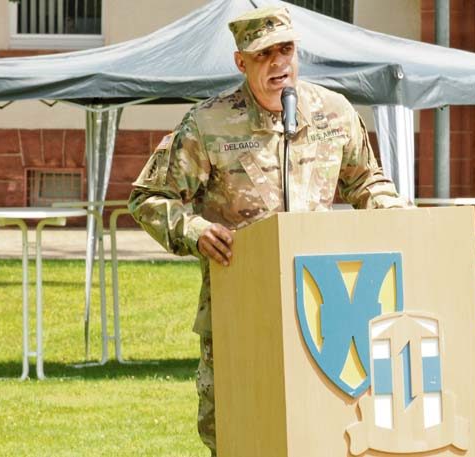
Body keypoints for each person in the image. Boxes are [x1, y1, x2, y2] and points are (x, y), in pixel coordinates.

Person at [128, 6, 411, 456]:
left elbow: (366, 182)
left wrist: (395, 214)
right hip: (239, 304)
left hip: (324, 311)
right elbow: (148, 198)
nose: (280, 64)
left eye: (287, 50)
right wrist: (195, 228)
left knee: (321, 429)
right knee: (237, 432)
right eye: (264, 55)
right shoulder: (208, 124)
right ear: (242, 62)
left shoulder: (333, 114)